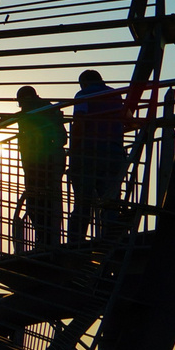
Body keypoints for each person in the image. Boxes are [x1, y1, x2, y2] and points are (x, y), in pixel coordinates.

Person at [67, 69, 129, 242]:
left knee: (83, 202)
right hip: (114, 153)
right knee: (110, 201)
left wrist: (73, 150)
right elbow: (126, 119)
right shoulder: (116, 95)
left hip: (88, 153)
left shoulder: (83, 94)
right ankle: (112, 239)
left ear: (84, 82)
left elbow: (79, 122)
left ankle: (75, 241)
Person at [10, 86, 66, 250]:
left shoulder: (36, 111)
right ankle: (46, 240)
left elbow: (60, 137)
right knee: (45, 203)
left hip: (40, 164)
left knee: (38, 204)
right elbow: (62, 137)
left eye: (20, 102)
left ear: (26, 99)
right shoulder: (48, 108)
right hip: (42, 164)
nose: (20, 106)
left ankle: (46, 241)